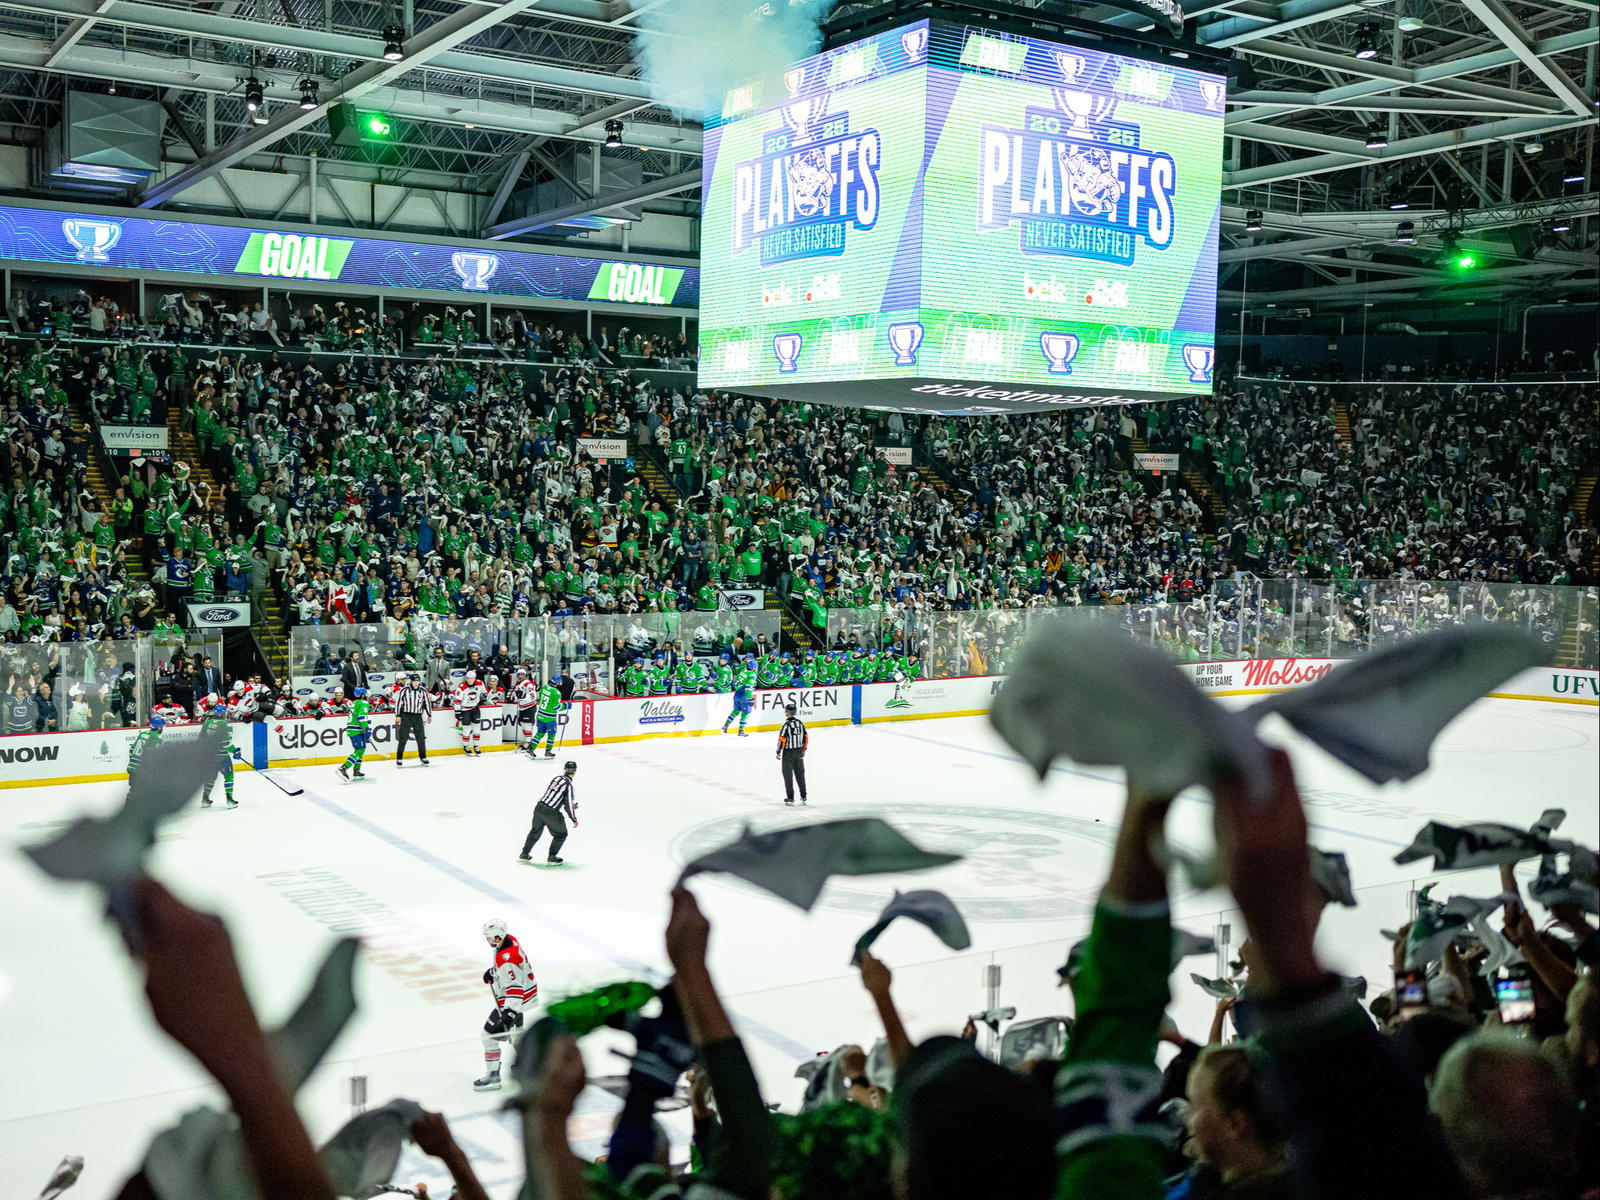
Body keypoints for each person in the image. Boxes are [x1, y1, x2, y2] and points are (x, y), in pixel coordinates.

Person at [475, 917, 539, 1092]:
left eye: (489, 937)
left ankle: (494, 1076)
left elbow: (515, 988)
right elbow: (513, 973)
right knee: (516, 1038)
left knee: (488, 1037)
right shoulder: (508, 941)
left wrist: (508, 1014)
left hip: (512, 1003)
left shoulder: (507, 959)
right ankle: (532, 1070)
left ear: (497, 937)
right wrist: (494, 972)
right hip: (518, 1001)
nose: (487, 941)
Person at [520, 760, 578, 865]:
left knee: (535, 832)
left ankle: (524, 853)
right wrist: (573, 818)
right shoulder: (568, 785)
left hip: (539, 808)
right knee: (561, 834)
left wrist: (569, 804)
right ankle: (552, 856)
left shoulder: (557, 778)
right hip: (551, 812)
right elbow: (568, 804)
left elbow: (554, 794)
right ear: (575, 771)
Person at [199, 703, 240, 808]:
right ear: (223, 713)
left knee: (210, 777)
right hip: (222, 757)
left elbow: (201, 740)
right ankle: (230, 800)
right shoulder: (224, 724)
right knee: (229, 776)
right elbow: (226, 743)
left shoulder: (207, 722)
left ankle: (205, 799)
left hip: (209, 756)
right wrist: (235, 751)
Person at [394, 672, 431, 767]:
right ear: (411, 681)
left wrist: (429, 714)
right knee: (403, 738)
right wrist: (398, 715)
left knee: (421, 738)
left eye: (418, 681)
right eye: (414, 681)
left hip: (418, 716)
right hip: (406, 716)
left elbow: (427, 702)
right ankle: (399, 758)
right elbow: (398, 702)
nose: (416, 683)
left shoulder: (422, 690)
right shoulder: (405, 689)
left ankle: (423, 757)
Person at [337, 687, 371, 782]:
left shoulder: (355, 703)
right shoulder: (364, 703)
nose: (366, 696)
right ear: (362, 695)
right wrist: (366, 729)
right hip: (356, 730)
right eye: (365, 694)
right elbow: (362, 717)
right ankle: (343, 767)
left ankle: (356, 770)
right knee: (359, 750)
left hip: (354, 729)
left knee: (361, 749)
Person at [777, 701, 808, 805]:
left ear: (787, 712)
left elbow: (782, 739)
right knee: (800, 775)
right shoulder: (800, 723)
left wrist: (778, 751)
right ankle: (803, 796)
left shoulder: (786, 725)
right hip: (799, 752)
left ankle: (790, 797)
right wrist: (803, 749)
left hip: (788, 753)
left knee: (788, 775)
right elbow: (806, 738)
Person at [528, 673, 563, 759]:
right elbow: (556, 707)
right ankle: (548, 751)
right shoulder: (556, 693)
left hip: (540, 715)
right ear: (557, 682)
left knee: (540, 733)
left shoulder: (543, 688)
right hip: (550, 718)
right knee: (551, 735)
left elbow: (540, 699)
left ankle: (531, 748)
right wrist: (566, 706)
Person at [127, 714, 165, 789]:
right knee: (144, 792)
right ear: (159, 728)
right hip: (142, 770)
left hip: (132, 767)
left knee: (133, 790)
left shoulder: (142, 734)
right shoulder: (157, 738)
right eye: (163, 727)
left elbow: (131, 750)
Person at [721, 654, 756, 737]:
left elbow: (735, 683)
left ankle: (725, 725)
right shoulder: (752, 675)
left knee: (736, 711)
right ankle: (741, 730)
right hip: (744, 695)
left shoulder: (742, 672)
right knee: (745, 713)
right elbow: (748, 688)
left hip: (737, 694)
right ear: (754, 668)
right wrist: (750, 698)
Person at [454, 670, 485, 757]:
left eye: (472, 678)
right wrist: (457, 711)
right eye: (468, 678)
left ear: (474, 678)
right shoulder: (461, 686)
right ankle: (466, 746)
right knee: (466, 728)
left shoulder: (480, 683)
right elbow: (457, 700)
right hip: (465, 710)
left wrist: (484, 695)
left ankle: (476, 746)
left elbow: (484, 692)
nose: (470, 680)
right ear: (466, 678)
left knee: (476, 728)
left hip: (475, 708)